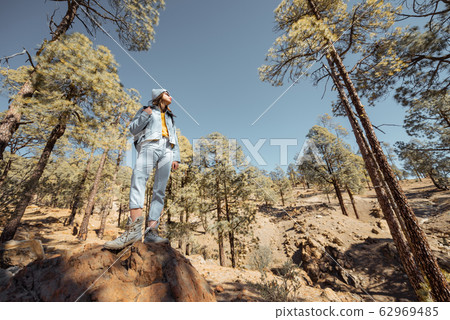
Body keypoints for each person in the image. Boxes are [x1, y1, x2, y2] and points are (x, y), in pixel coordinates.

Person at [104, 88, 181, 250]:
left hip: (167, 150)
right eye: (168, 93)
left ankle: (151, 232)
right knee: (138, 180)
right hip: (149, 145)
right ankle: (133, 231)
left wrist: (176, 157)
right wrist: (145, 114)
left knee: (160, 190)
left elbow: (175, 137)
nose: (171, 96)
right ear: (159, 96)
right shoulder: (146, 110)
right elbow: (133, 129)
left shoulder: (170, 117)